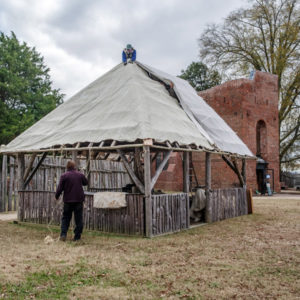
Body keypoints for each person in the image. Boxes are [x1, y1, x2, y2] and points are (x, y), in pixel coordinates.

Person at [55, 160, 88, 241]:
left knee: (65, 218)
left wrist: (56, 196)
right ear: (74, 167)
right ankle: (77, 237)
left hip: (68, 200)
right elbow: (86, 182)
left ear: (67, 167)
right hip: (78, 200)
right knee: (78, 219)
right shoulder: (80, 174)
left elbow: (60, 188)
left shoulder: (64, 176)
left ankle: (63, 235)